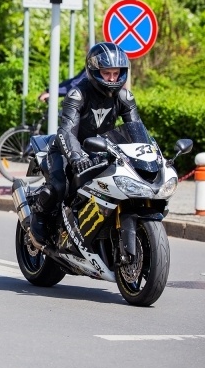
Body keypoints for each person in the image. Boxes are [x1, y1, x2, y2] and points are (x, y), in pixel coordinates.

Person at [29, 42, 141, 246]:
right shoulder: (77, 94)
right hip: (66, 150)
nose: (112, 79)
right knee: (59, 186)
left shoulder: (124, 96)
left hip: (102, 151)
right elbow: (66, 130)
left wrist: (148, 156)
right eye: (107, 73)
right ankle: (38, 219)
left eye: (116, 73)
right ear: (94, 71)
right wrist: (76, 156)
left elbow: (137, 130)